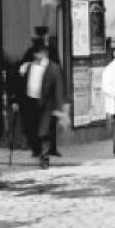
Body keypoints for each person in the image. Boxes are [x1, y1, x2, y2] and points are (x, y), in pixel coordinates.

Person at [21, 40, 68, 170]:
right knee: (34, 130)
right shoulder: (30, 66)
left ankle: (45, 158)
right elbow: (23, 83)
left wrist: (59, 108)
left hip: (47, 104)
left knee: (44, 131)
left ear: (44, 54)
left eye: (38, 54)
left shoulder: (54, 68)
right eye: (35, 54)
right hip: (32, 101)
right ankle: (37, 151)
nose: (36, 57)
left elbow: (59, 88)